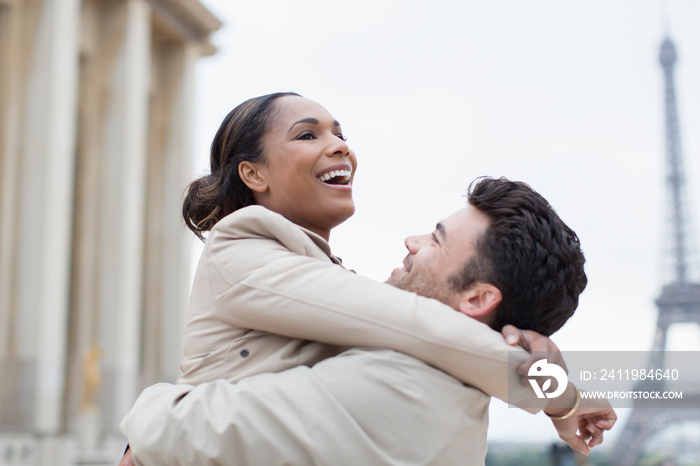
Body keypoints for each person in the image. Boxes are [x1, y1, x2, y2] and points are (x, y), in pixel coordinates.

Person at [118, 93, 614, 463]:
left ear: (480, 297)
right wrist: (551, 388)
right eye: (309, 134)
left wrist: (154, 408)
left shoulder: (410, 372)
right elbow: (402, 319)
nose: (339, 146)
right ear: (253, 174)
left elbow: (410, 323)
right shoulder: (246, 245)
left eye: (340, 134)